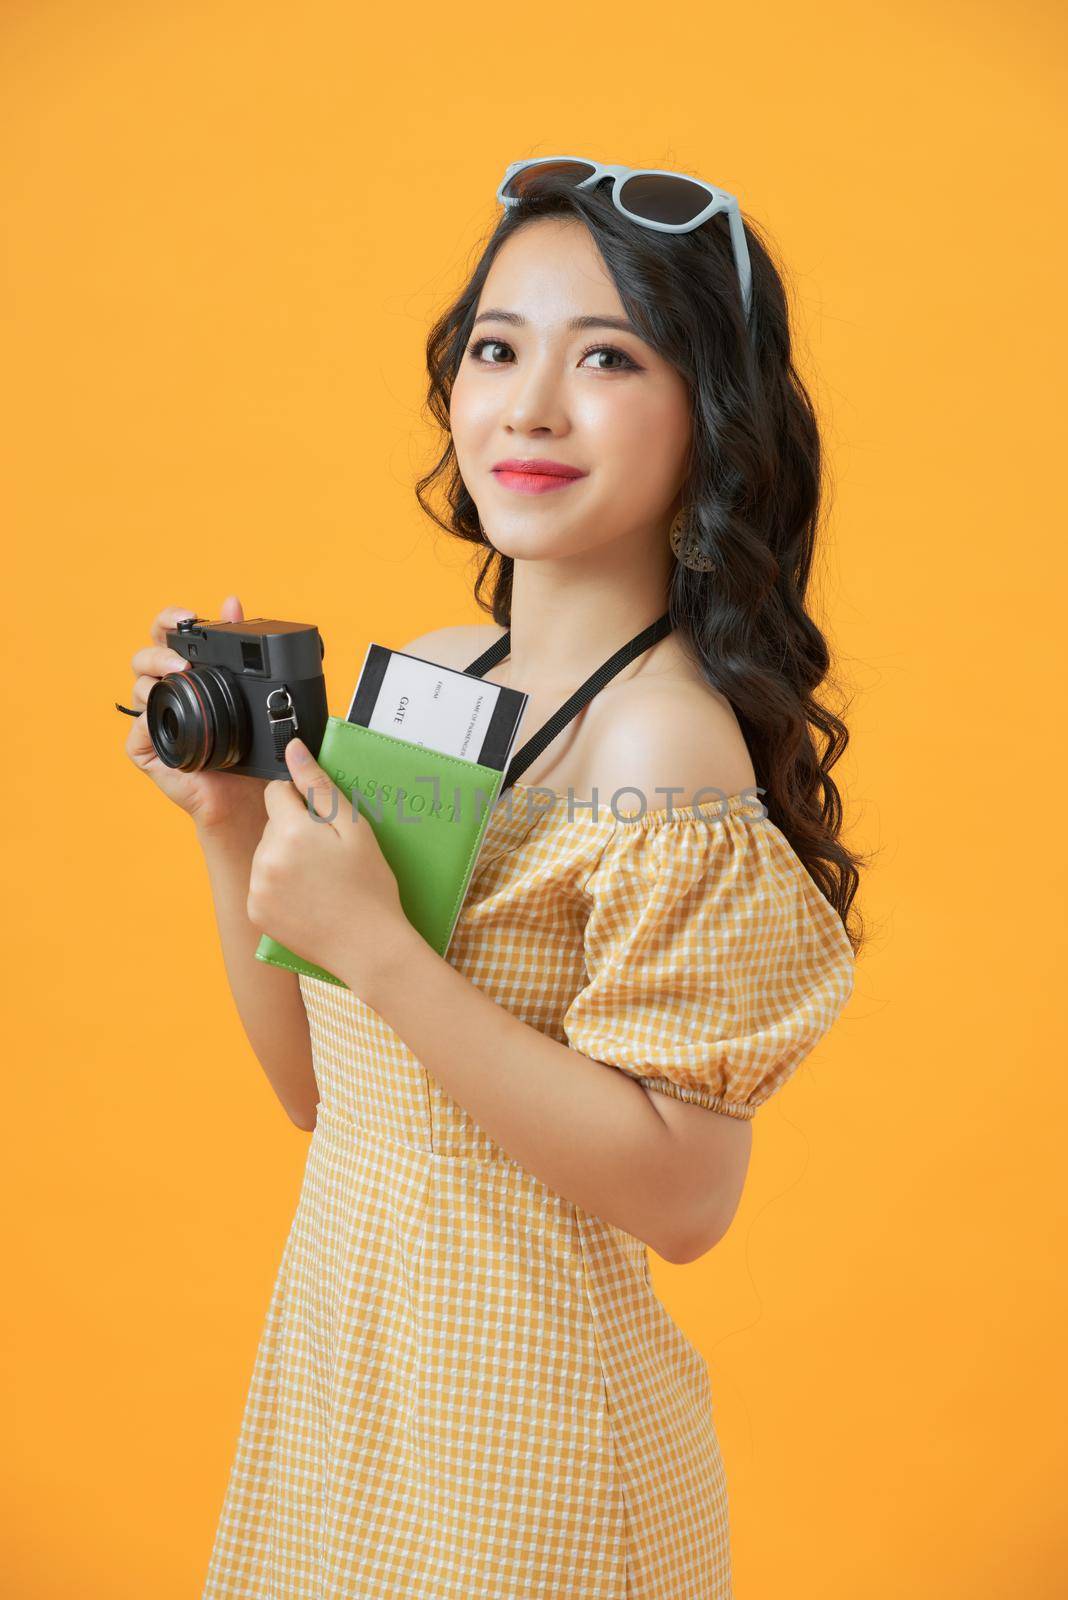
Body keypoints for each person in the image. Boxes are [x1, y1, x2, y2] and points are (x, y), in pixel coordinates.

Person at [123, 157, 865, 1599]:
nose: (529, 406)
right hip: (352, 1392)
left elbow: (685, 1199)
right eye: (496, 348)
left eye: (607, 357)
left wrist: (388, 950)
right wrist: (230, 826)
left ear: (712, 418)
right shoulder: (427, 683)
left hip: (534, 1444)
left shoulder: (665, 737)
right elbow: (330, 1096)